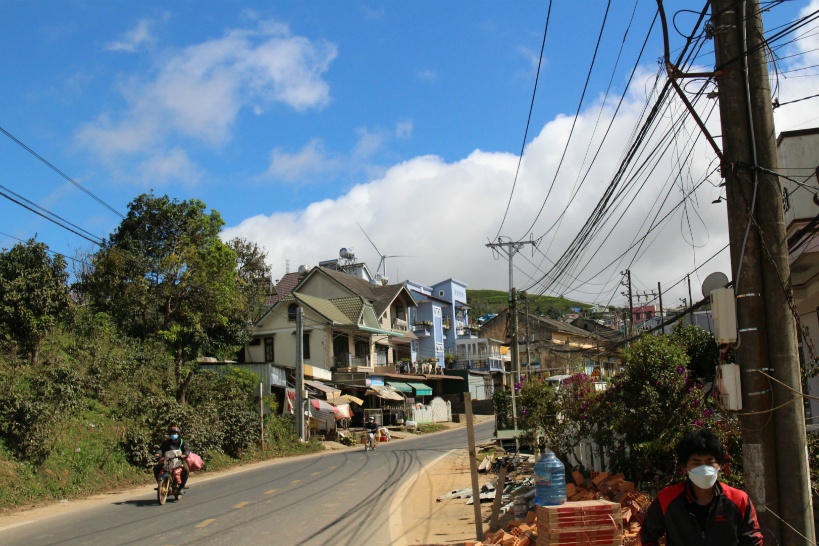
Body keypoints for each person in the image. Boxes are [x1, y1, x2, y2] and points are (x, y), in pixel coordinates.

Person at [640, 428, 763, 545]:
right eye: (696, 463)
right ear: (684, 467)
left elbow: (753, 541)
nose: (704, 469)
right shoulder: (667, 499)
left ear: (719, 465)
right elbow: (648, 534)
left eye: (710, 462)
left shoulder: (738, 500)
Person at [154, 425, 191, 491]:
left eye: (175, 433)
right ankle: (160, 484)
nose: (173, 435)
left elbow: (187, 450)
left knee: (186, 470)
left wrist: (184, 455)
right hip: (168, 460)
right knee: (156, 468)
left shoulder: (182, 442)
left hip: (179, 460)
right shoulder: (166, 443)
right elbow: (161, 449)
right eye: (172, 433)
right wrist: (158, 453)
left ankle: (182, 487)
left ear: (178, 434)